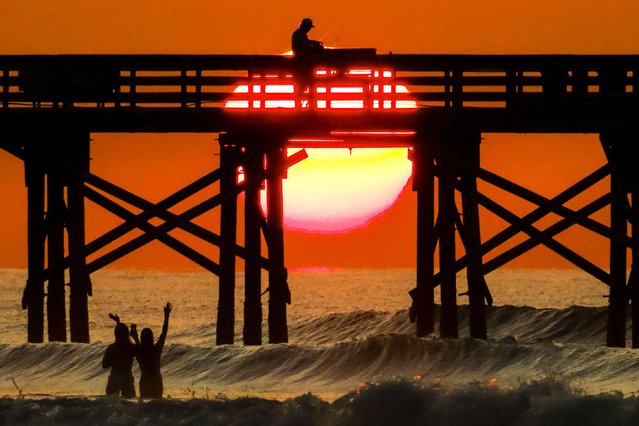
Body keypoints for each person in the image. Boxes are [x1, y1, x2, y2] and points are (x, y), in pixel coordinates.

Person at [132, 302, 172, 399]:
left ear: (142, 338)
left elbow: (136, 341)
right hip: (156, 381)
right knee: (157, 406)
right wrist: (166, 316)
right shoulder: (156, 349)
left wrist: (135, 335)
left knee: (144, 408)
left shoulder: (139, 351)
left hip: (144, 381)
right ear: (152, 337)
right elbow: (164, 332)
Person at [102, 314, 138, 398]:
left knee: (110, 404)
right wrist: (135, 337)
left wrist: (114, 361)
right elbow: (141, 352)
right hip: (127, 377)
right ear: (128, 334)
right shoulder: (131, 347)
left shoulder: (112, 348)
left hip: (115, 377)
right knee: (130, 403)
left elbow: (104, 364)